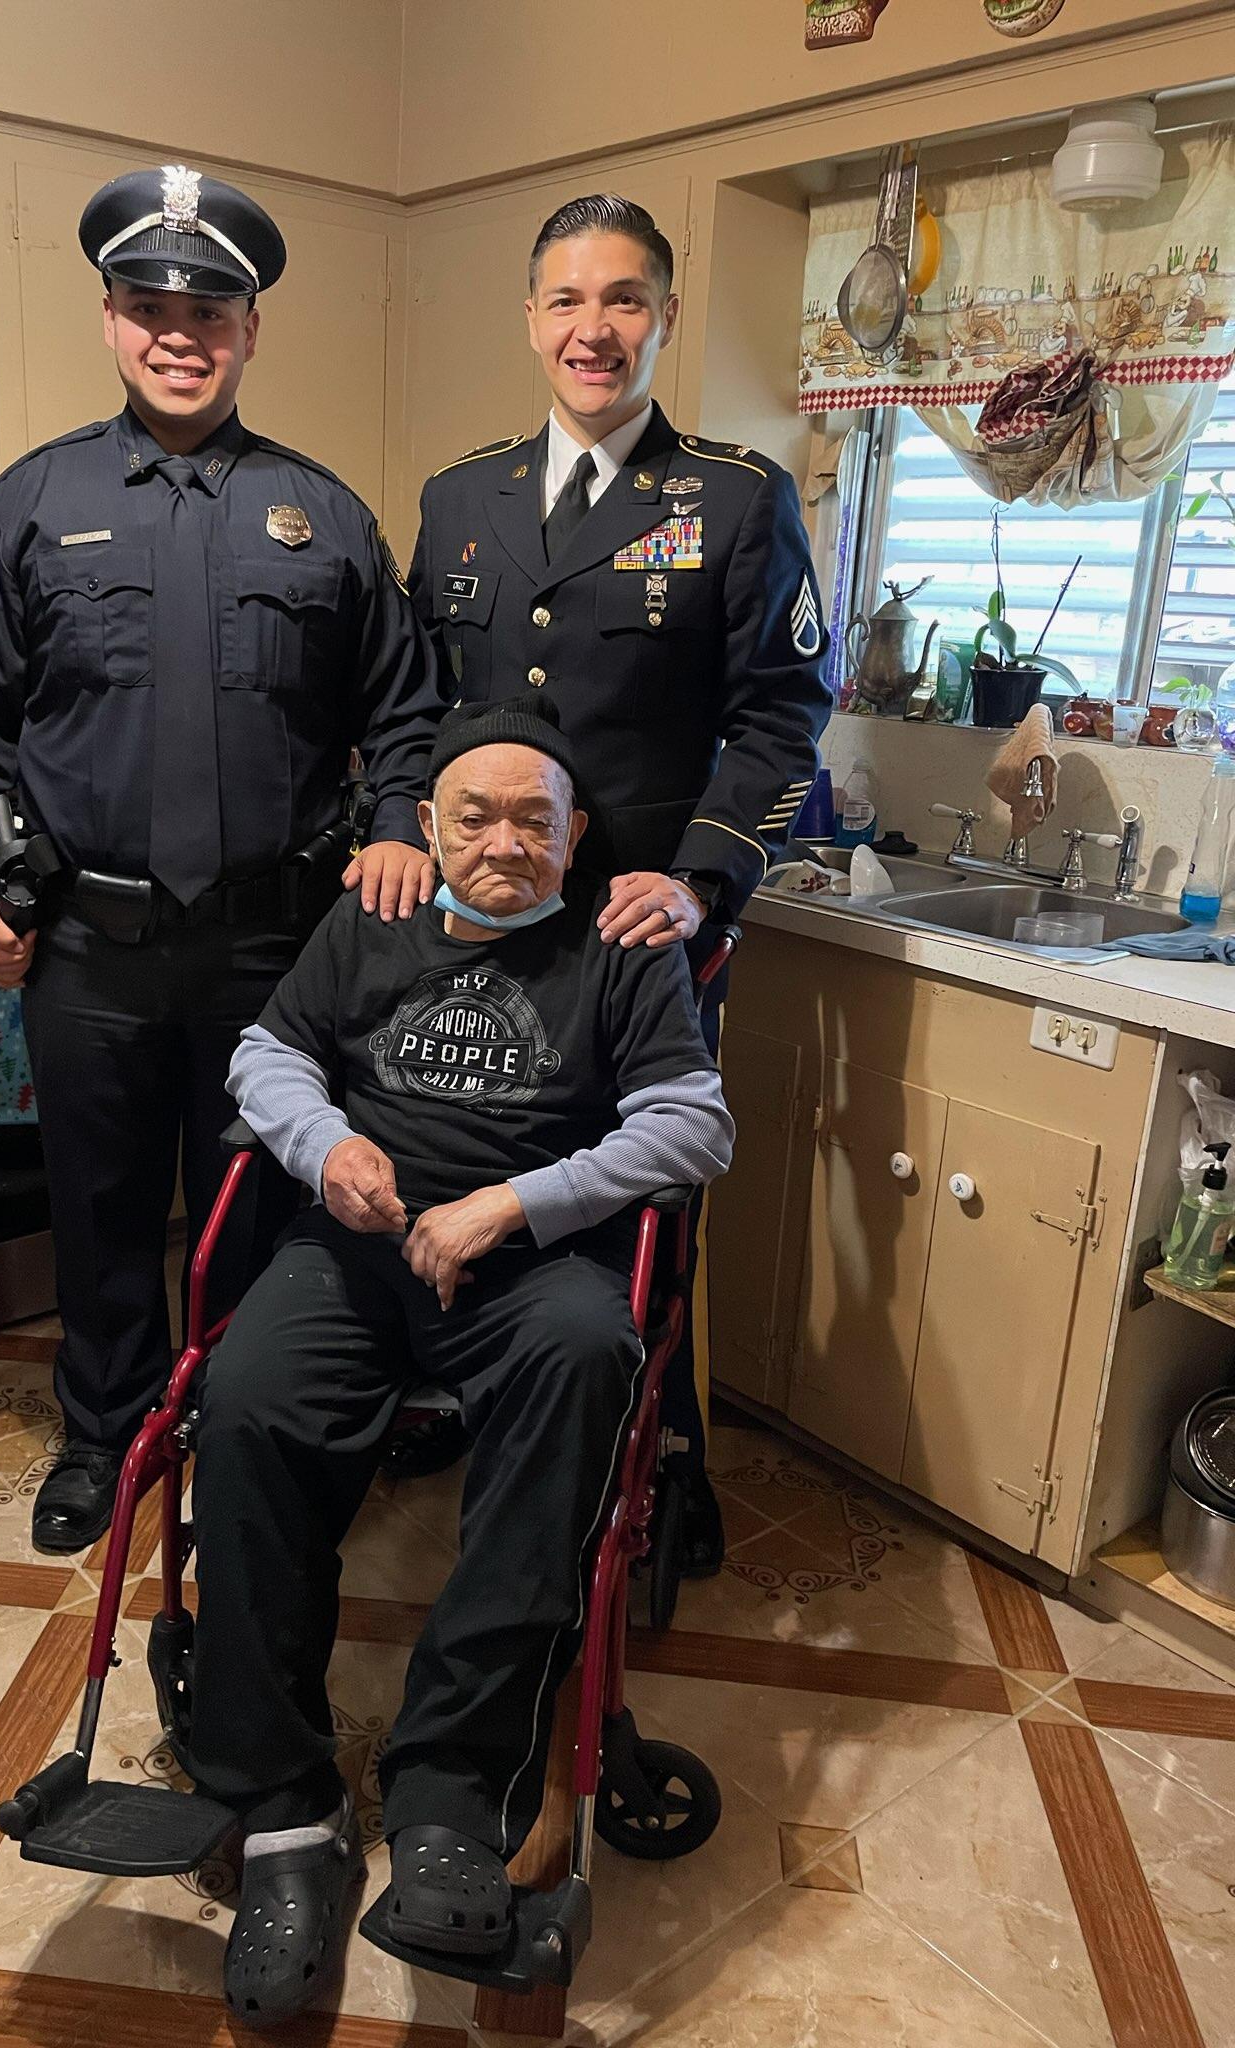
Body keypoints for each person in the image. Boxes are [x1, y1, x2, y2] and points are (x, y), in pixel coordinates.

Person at [187, 693, 734, 2027]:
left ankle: (449, 1798)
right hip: (357, 1255)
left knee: (588, 1358)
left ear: (574, 835)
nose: (505, 841)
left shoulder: (621, 945)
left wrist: (517, 1204)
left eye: (533, 820)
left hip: (533, 1270)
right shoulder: (371, 917)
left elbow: (692, 1127)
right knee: (245, 1397)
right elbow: (266, 1057)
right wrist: (329, 1149)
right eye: (475, 815)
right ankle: (280, 1818)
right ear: (428, 826)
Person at [0, 165, 442, 1555]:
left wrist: (399, 827)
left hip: (271, 951)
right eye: (150, 305)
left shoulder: (325, 516)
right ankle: (109, 1437)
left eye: (209, 309)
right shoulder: (35, 502)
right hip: (84, 943)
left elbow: (404, 719)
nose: (179, 332)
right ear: (109, 318)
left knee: (255, 1210)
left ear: (251, 329)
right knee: (96, 1210)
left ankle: (240, 1427)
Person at [403, 193, 834, 1565]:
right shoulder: (461, 497)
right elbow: (420, 707)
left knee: (638, 1196)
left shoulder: (736, 495)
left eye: (625, 300)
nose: (595, 330)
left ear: (661, 317)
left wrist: (703, 878)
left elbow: (782, 716)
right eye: (569, 302)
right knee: (461, 1150)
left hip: (635, 931)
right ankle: (474, 1392)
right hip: (476, 922)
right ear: (532, 319)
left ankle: (659, 1452)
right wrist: (404, 833)